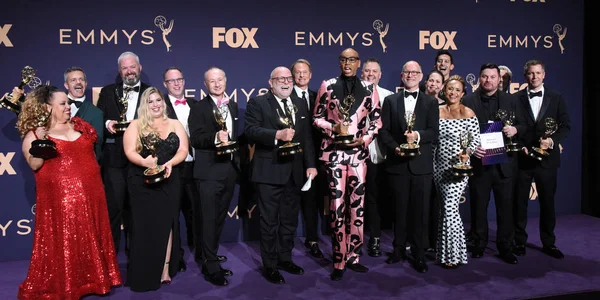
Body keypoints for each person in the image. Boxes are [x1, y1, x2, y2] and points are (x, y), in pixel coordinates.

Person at [16, 85, 121, 299]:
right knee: (66, 241)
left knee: (90, 236)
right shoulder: (35, 133)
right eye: (63, 103)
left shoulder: (81, 125)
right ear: (47, 107)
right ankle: (70, 284)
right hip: (61, 201)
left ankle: (95, 279)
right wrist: (40, 142)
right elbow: (35, 165)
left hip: (92, 194)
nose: (68, 107)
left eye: (68, 103)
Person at [313, 48, 381, 280]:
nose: (347, 63)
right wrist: (333, 128)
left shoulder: (370, 88)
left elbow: (376, 120)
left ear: (358, 63)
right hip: (333, 156)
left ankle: (354, 256)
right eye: (343, 59)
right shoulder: (327, 85)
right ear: (340, 63)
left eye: (352, 60)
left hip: (358, 156)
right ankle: (339, 259)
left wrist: (365, 138)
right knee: (337, 208)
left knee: (357, 207)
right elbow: (317, 117)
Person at [245, 66, 317, 284]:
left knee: (289, 221)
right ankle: (270, 264)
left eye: (288, 78)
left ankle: (286, 258)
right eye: (280, 79)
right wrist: (277, 134)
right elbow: (250, 130)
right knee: (269, 222)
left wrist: (311, 165)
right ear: (271, 82)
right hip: (269, 172)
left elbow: (306, 139)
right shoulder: (258, 103)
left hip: (294, 173)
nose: (286, 82)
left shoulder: (299, 103)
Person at [122, 87, 188, 291]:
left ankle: (165, 268)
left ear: (163, 102)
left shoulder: (175, 124)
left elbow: (184, 149)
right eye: (150, 101)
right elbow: (129, 151)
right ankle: (144, 270)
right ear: (145, 105)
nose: (156, 104)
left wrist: (171, 164)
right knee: (145, 227)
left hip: (170, 179)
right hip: (143, 181)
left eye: (158, 100)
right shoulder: (135, 125)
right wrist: (145, 163)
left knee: (167, 224)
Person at [379, 60, 438, 274]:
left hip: (421, 166)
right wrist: (395, 148)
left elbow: (434, 132)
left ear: (421, 76)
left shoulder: (430, 102)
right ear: (402, 76)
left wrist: (418, 136)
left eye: (415, 72)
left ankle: (419, 254)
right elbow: (383, 131)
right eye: (407, 72)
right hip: (397, 165)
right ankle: (398, 249)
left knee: (420, 212)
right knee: (399, 210)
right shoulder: (390, 100)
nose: (411, 75)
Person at [462, 63, 522, 265]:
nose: (489, 80)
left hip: (505, 164)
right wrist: (471, 148)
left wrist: (515, 130)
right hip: (480, 163)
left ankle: (505, 246)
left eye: (493, 77)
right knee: (478, 207)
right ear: (480, 78)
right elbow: (461, 131)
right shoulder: (468, 100)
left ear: (500, 79)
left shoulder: (511, 100)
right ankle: (479, 244)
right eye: (485, 77)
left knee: (506, 208)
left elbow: (523, 124)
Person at [513, 59, 570, 259]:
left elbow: (566, 126)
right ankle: (519, 242)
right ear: (525, 76)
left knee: (548, 203)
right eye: (530, 73)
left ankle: (549, 243)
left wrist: (552, 141)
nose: (534, 77)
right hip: (523, 159)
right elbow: (511, 129)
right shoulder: (515, 98)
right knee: (519, 203)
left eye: (538, 73)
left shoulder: (556, 97)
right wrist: (521, 148)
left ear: (544, 75)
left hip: (547, 160)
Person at [188, 67, 238, 286]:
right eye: (212, 81)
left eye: (220, 80)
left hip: (229, 171)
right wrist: (215, 137)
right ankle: (210, 266)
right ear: (205, 85)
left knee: (218, 218)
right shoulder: (198, 108)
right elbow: (196, 139)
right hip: (208, 172)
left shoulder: (233, 105)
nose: (217, 84)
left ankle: (210, 253)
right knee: (208, 220)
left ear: (225, 81)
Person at [97, 51, 150, 255]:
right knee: (114, 210)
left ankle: (139, 257)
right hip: (115, 162)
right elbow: (98, 118)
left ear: (140, 68)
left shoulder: (150, 92)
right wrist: (107, 122)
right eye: (125, 68)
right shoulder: (108, 92)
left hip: (143, 160)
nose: (129, 71)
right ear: (120, 71)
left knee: (139, 212)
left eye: (132, 67)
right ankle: (109, 260)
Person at [433, 75, 480, 268]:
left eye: (457, 90)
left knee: (451, 208)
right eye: (450, 89)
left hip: (459, 169)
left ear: (463, 93)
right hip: (438, 166)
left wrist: (466, 153)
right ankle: (450, 253)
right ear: (444, 90)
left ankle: (452, 256)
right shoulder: (436, 111)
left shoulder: (468, 113)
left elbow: (475, 140)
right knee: (446, 209)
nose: (453, 93)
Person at [162, 67, 197, 273]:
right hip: (172, 167)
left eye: (179, 79)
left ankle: (201, 251)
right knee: (173, 214)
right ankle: (176, 256)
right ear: (165, 85)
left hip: (195, 166)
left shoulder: (195, 104)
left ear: (184, 81)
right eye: (171, 81)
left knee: (195, 213)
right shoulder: (159, 106)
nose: (176, 84)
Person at [290, 58, 325, 259]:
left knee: (313, 203)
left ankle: (312, 239)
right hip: (294, 159)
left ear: (310, 75)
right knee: (292, 203)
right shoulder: (285, 98)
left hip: (318, 159)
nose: (301, 75)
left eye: (305, 72)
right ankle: (286, 242)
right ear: (292, 75)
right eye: (298, 72)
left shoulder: (318, 97)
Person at [360, 57, 393, 257]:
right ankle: (364, 239)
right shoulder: (352, 95)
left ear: (380, 75)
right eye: (367, 71)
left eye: (374, 71)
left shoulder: (389, 97)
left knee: (382, 198)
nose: (370, 74)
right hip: (358, 154)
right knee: (365, 199)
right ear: (361, 73)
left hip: (385, 155)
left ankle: (379, 238)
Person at [63, 66, 104, 161]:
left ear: (86, 83)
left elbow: (97, 147)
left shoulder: (96, 113)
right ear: (66, 85)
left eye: (81, 79)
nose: (78, 82)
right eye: (73, 80)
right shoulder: (55, 107)